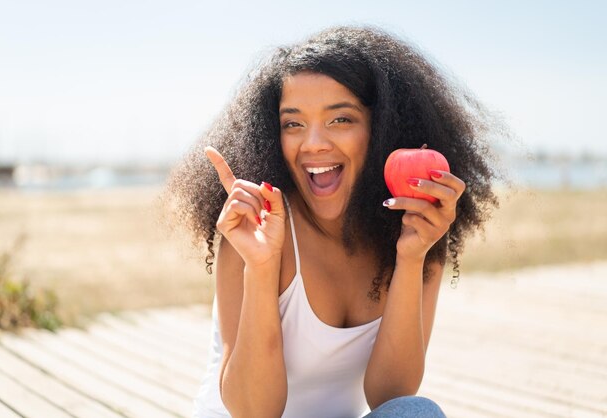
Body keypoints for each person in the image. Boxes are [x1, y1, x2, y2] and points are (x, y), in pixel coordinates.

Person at [166, 25, 499, 418]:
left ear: (383, 128)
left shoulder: (416, 227)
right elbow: (253, 411)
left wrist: (411, 258)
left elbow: (390, 397)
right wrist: (260, 267)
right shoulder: (257, 227)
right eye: (293, 123)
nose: (313, 143)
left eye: (340, 120)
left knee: (416, 412)